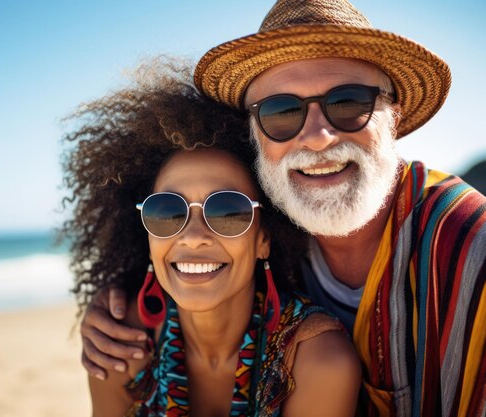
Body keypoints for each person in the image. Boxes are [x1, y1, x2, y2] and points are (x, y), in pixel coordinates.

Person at [78, 1, 486, 416]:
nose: (318, 137)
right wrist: (112, 299)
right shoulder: (288, 218)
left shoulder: (472, 245)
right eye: (282, 112)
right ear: (257, 139)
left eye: (348, 103)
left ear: (393, 117)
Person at [62, 60, 361, 416]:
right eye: (167, 212)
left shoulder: (319, 361)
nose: (192, 237)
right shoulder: (119, 345)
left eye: (227, 210)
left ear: (264, 238)